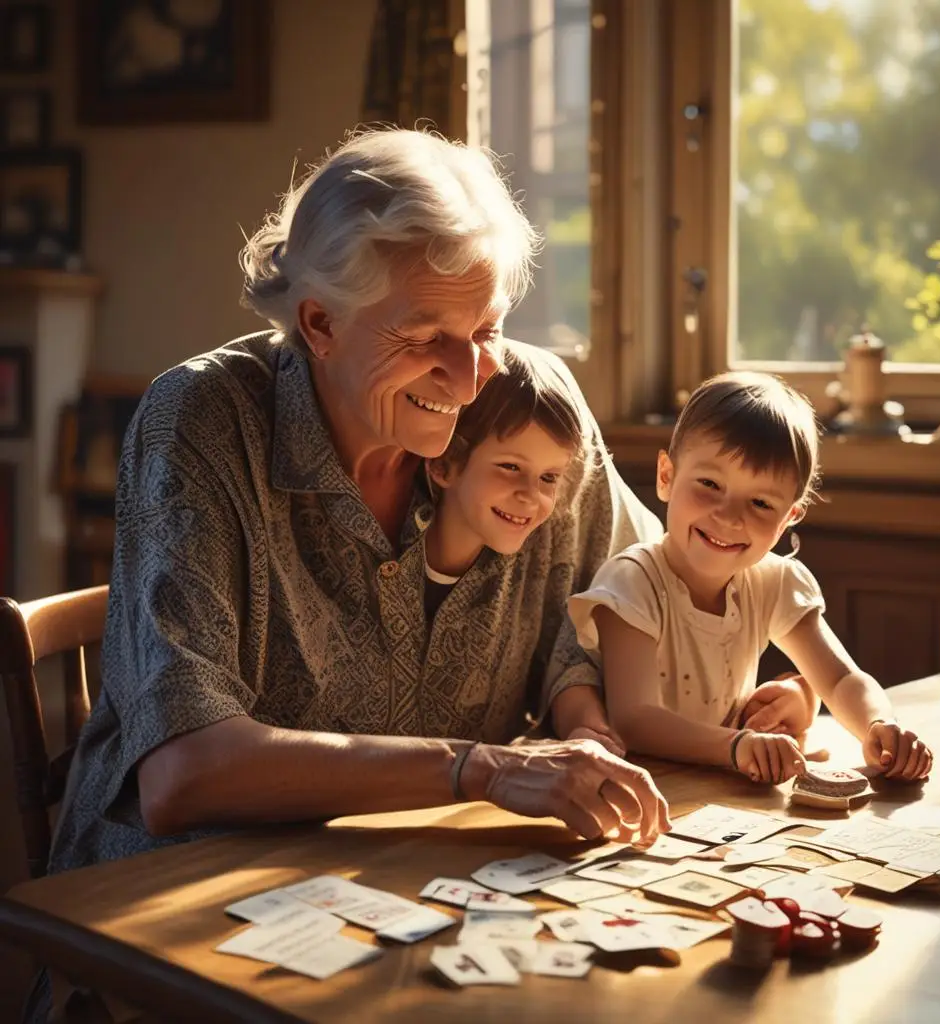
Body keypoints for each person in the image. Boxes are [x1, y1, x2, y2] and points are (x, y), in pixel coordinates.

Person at [47, 128, 672, 892]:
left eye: (486, 330)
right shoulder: (203, 418)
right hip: (187, 898)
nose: (470, 377)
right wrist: (481, 769)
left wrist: (794, 676)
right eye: (423, 337)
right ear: (319, 324)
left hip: (423, 880)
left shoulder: (527, 405)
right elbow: (184, 774)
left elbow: (654, 591)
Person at [566, 371, 934, 785]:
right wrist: (736, 746)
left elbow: (840, 678)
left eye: (760, 503)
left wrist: (878, 725)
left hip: (720, 789)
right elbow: (634, 720)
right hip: (634, 787)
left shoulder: (775, 583)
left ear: (789, 518)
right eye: (709, 484)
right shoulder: (633, 583)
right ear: (666, 476)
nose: (729, 516)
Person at [422, 344, 625, 754]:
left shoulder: (541, 562)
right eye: (510, 467)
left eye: (549, 477)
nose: (529, 496)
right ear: (443, 465)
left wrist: (586, 734)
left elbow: (566, 660)